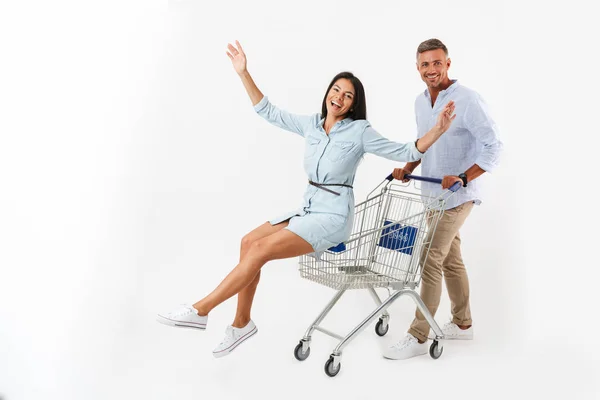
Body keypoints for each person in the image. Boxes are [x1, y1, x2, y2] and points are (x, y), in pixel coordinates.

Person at [157, 40, 456, 358]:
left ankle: (201, 309)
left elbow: (406, 151)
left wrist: (438, 129)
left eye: (348, 96)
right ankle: (242, 323)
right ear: (328, 92)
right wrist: (244, 73)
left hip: (333, 217)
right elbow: (268, 112)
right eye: (336, 90)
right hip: (308, 207)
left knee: (260, 251)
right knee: (248, 243)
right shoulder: (312, 125)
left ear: (354, 104)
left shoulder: (359, 131)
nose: (339, 98)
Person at [383, 38, 503, 360]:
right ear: (418, 68)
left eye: (437, 63)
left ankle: (418, 335)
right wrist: (407, 167)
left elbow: (494, 146)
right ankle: (463, 324)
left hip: (459, 195)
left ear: (448, 63)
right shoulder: (420, 103)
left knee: (430, 255)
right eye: (425, 64)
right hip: (430, 195)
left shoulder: (468, 99)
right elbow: (425, 144)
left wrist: (463, 177)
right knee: (450, 258)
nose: (431, 69)